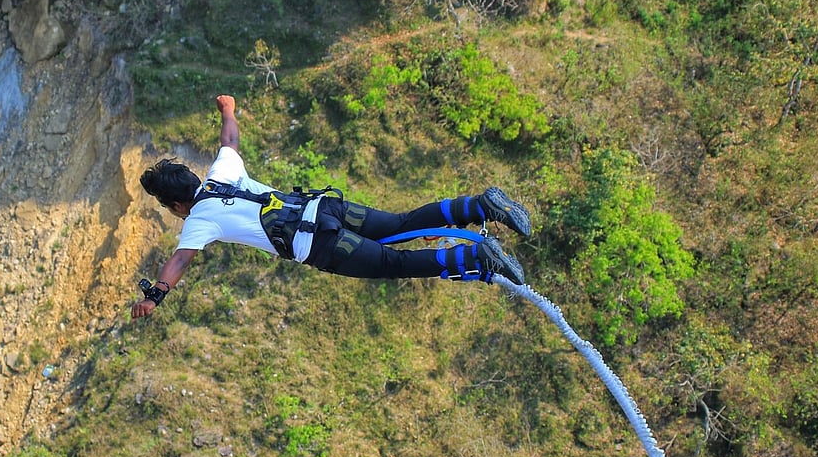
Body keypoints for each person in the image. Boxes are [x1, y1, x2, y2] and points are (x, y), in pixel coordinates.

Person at [131, 95, 531, 318]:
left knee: (396, 265)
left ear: (176, 203)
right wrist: (228, 110)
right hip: (326, 209)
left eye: (171, 209)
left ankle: (478, 255)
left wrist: (156, 296)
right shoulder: (222, 172)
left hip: (319, 245)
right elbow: (230, 141)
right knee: (401, 222)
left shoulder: (199, 219)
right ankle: (482, 206)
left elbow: (181, 260)